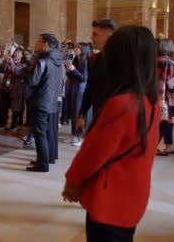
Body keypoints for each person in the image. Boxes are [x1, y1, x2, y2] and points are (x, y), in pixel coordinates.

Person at [62, 26, 160, 242]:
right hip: (133, 194)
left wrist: (72, 181)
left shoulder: (121, 104)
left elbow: (93, 153)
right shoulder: (150, 99)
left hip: (110, 198)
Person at [26, 34, 63, 173]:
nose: (37, 43)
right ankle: (44, 159)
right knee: (44, 132)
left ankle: (42, 165)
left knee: (39, 133)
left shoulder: (43, 61)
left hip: (40, 100)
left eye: (39, 41)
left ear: (46, 44)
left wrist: (29, 68)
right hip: (51, 100)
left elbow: (32, 81)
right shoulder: (57, 59)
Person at [77, 19, 118, 132]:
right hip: (98, 114)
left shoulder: (124, 61)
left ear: (110, 36)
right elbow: (90, 88)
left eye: (96, 34)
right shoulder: (94, 60)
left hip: (117, 118)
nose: (92, 38)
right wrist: (82, 114)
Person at [156, 39, 174, 156]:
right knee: (165, 122)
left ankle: (169, 145)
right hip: (167, 97)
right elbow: (171, 83)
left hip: (158, 95)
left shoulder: (156, 61)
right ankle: (154, 146)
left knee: (166, 121)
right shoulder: (168, 62)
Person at [66, 43, 92, 147]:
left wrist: (73, 70)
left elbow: (83, 78)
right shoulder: (76, 59)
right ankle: (74, 135)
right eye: (75, 47)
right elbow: (72, 75)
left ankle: (80, 136)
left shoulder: (86, 61)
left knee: (78, 112)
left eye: (77, 48)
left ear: (83, 50)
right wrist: (69, 70)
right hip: (74, 87)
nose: (75, 49)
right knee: (73, 111)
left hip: (81, 89)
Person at [6, 48, 28, 132]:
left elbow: (17, 72)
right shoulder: (9, 62)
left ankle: (14, 124)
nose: (16, 53)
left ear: (22, 55)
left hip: (17, 87)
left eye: (19, 52)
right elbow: (4, 71)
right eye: (15, 52)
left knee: (16, 106)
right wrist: (6, 62)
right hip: (8, 85)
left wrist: (11, 63)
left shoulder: (23, 65)